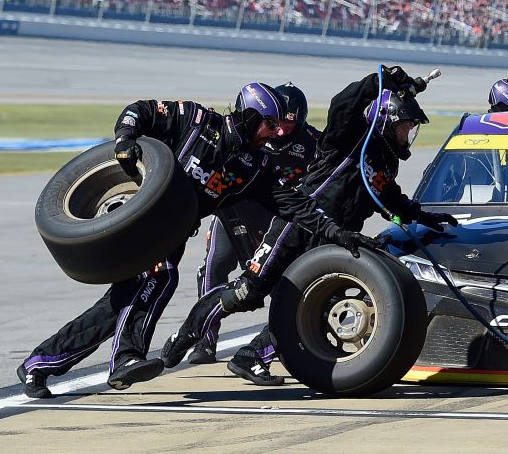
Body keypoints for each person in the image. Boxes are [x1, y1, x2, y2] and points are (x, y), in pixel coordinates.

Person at [158, 65, 459, 371]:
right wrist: (378, 80)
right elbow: (343, 104)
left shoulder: (385, 166)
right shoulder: (348, 138)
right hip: (296, 228)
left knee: (308, 304)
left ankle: (251, 357)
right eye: (405, 127)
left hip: (331, 240)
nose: (408, 134)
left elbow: (391, 200)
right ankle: (184, 336)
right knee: (247, 292)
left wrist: (423, 216)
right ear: (386, 121)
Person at [17, 82, 297, 399]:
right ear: (250, 115)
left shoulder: (254, 166)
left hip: (172, 236)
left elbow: (290, 203)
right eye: (270, 124)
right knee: (160, 276)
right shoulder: (196, 119)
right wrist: (125, 139)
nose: (277, 133)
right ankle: (125, 358)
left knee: (117, 308)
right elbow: (140, 110)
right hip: (139, 226)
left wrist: (328, 224)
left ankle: (38, 363)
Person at [188, 83, 320, 386]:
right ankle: (204, 339)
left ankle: (274, 341)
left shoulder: (314, 144)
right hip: (234, 207)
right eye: (276, 123)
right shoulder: (247, 134)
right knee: (213, 265)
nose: (281, 132)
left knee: (279, 282)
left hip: (276, 219)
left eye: (288, 124)